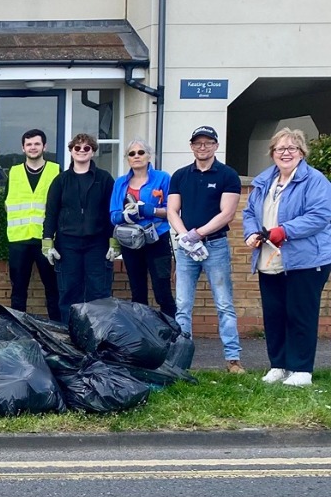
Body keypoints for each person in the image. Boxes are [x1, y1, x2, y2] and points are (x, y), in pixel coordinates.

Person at [243, 128, 331, 388]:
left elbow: (319, 216)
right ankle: (279, 365)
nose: (286, 153)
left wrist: (285, 231)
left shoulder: (315, 181)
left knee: (300, 313)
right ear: (272, 154)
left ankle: (301, 369)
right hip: (269, 258)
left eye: (292, 148)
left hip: (306, 259)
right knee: (275, 313)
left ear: (302, 153)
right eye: (280, 149)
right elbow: (249, 212)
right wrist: (250, 233)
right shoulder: (263, 181)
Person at [167, 125, 243, 374]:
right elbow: (172, 210)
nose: (203, 147)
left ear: (216, 146)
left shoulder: (227, 174)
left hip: (215, 245)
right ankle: (180, 360)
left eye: (208, 143)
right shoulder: (180, 175)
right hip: (186, 248)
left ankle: (233, 360)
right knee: (183, 305)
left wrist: (197, 234)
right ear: (191, 146)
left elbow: (227, 213)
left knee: (223, 304)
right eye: (198, 143)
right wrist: (183, 236)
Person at [42, 133, 116, 318]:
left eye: (86, 148)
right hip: (68, 245)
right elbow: (51, 213)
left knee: (99, 293)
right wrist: (47, 242)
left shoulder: (105, 179)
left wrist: (114, 242)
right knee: (68, 293)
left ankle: (99, 336)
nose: (82, 151)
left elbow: (113, 212)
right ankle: (69, 335)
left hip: (97, 244)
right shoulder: (61, 180)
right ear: (71, 151)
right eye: (77, 148)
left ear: (93, 152)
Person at [108, 139, 176, 319]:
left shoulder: (163, 178)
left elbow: (173, 210)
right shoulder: (120, 183)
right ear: (127, 159)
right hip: (130, 241)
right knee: (137, 291)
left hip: (157, 239)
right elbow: (113, 214)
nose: (136, 156)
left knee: (162, 290)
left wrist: (150, 210)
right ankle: (143, 336)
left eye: (140, 152)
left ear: (148, 156)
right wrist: (125, 216)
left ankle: (173, 333)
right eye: (132, 154)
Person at [5, 128, 62, 322]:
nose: (33, 147)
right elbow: (7, 203)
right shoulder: (13, 172)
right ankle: (18, 331)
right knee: (18, 291)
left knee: (53, 289)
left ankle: (58, 330)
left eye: (37, 144)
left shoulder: (56, 170)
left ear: (44, 146)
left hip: (46, 241)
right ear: (23, 148)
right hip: (19, 240)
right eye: (29, 144)